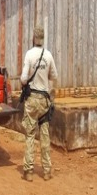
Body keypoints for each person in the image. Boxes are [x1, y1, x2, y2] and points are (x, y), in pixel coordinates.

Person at [20, 26, 58, 182]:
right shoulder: (48, 55)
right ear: (43, 38)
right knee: (44, 135)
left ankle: (28, 171)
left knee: (30, 134)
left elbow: (23, 78)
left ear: (34, 38)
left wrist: (28, 80)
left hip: (32, 100)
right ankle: (47, 171)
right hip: (44, 100)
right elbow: (54, 76)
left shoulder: (29, 54)